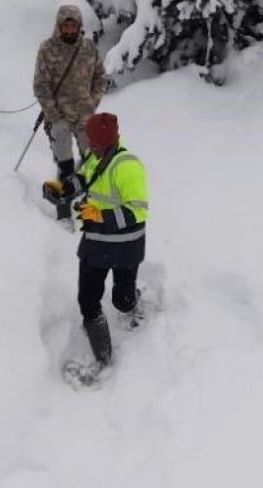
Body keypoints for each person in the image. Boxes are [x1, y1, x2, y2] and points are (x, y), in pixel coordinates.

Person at [72, 112, 148, 366]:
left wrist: (100, 216)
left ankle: (132, 301)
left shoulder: (127, 166)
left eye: (96, 145)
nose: (91, 148)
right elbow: (84, 179)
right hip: (95, 243)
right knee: (88, 300)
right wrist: (61, 189)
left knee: (122, 301)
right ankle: (103, 357)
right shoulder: (92, 157)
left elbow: (138, 211)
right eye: (89, 143)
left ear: (110, 142)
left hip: (125, 245)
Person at [33, 5, 107, 191]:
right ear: (59, 26)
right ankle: (63, 199)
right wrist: (54, 116)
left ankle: (89, 195)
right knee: (64, 160)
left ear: (79, 25)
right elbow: (41, 86)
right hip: (59, 115)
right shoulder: (47, 49)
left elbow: (100, 78)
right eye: (64, 25)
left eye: (73, 25)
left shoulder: (89, 47)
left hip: (85, 115)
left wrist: (93, 102)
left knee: (90, 159)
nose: (68, 29)